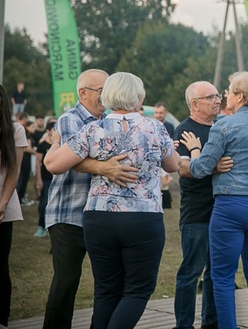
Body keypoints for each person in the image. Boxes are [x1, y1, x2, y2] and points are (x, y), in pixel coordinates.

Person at [45, 72, 180, 329]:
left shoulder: (93, 128)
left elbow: (53, 165)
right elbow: (172, 165)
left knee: (106, 291)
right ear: (138, 96)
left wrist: (54, 144)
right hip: (142, 217)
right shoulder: (154, 126)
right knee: (137, 291)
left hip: (99, 217)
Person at [42, 69, 139, 329]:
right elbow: (69, 159)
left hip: (101, 215)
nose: (106, 95)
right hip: (69, 214)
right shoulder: (69, 119)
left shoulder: (109, 120)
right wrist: (104, 167)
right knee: (67, 281)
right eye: (100, 90)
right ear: (83, 93)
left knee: (107, 284)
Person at [185, 71, 248, 329]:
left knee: (223, 276)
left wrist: (194, 151)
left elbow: (201, 168)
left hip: (231, 206)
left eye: (228, 90)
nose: (224, 95)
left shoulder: (223, 126)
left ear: (239, 96)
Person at [172, 81, 224, 329]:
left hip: (223, 212)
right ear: (195, 104)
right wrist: (213, 167)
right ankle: (183, 325)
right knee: (190, 273)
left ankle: (211, 323)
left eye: (218, 95)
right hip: (197, 214)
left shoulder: (220, 126)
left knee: (216, 274)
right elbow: (183, 169)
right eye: (210, 97)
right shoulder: (185, 130)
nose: (217, 100)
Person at [0, 84, 28, 328]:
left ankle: (3, 319)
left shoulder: (15, 130)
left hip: (3, 208)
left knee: (1, 268)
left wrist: (2, 204)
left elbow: (14, 171)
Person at [34, 121, 56, 238]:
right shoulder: (42, 145)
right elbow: (38, 163)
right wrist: (39, 179)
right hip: (46, 179)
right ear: (48, 131)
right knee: (43, 203)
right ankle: (40, 227)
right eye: (53, 129)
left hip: (56, 180)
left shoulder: (59, 145)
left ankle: (50, 226)